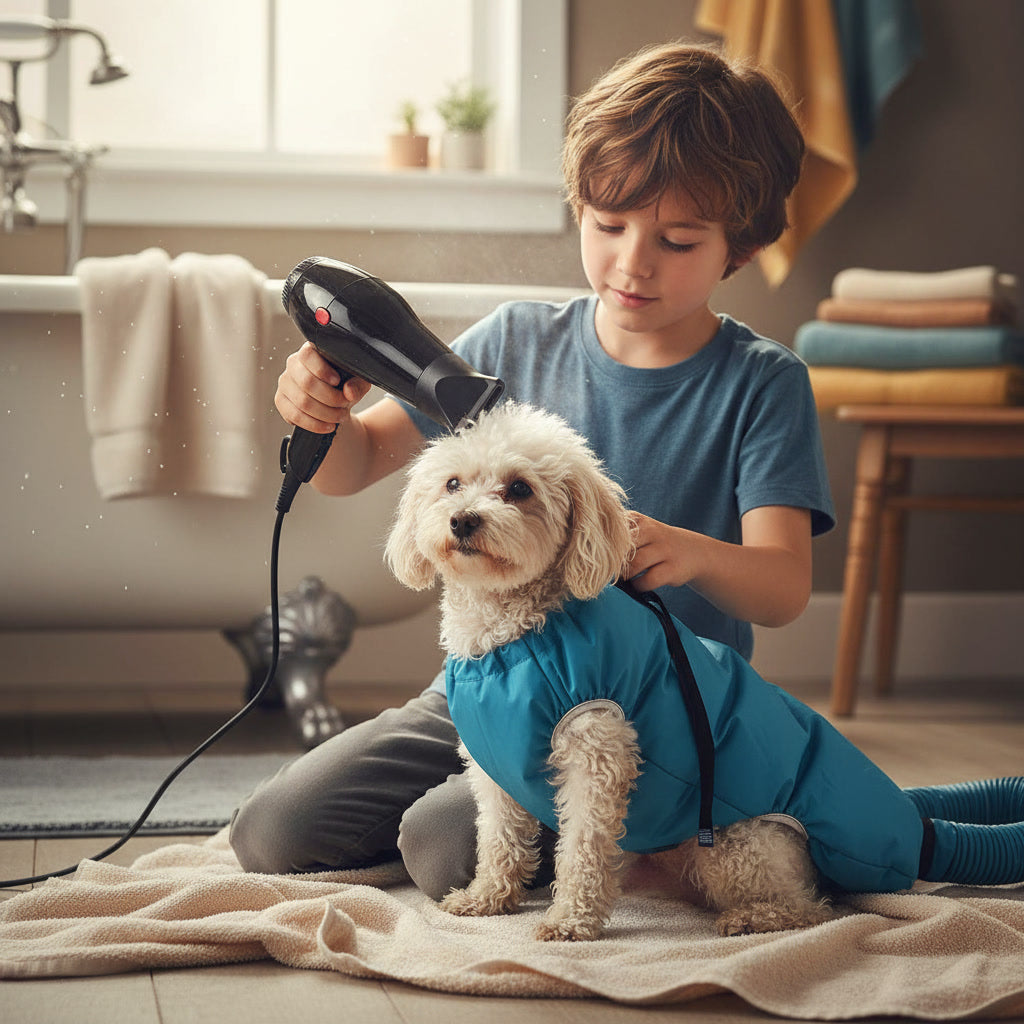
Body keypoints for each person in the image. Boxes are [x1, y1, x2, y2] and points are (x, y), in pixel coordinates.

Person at [229, 41, 835, 897]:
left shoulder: (762, 383)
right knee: (271, 832)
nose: (633, 261)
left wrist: (690, 553)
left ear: (739, 248)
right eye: (609, 225)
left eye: (677, 240)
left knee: (444, 846)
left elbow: (782, 588)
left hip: (641, 716)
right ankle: (546, 824)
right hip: (482, 691)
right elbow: (355, 465)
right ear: (579, 208)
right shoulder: (513, 340)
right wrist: (319, 413)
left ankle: (629, 822)